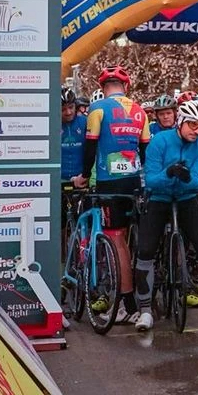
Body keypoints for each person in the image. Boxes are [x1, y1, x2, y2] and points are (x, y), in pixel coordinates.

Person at [134, 100, 198, 331]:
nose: (196, 131)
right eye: (192, 125)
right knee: (145, 250)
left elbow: (197, 178)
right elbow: (150, 179)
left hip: (186, 198)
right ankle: (144, 311)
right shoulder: (160, 142)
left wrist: (186, 178)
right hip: (159, 198)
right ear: (181, 121)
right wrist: (169, 172)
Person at [73, 65, 148, 324]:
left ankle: (127, 303)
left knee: (115, 241)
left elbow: (91, 146)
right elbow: (145, 151)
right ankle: (137, 299)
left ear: (103, 87)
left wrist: (83, 175)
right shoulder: (139, 111)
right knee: (125, 241)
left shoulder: (99, 109)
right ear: (125, 86)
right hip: (134, 181)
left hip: (109, 182)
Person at [60, 88, 87, 184]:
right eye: (63, 109)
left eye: (71, 107)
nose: (68, 112)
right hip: (58, 179)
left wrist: (85, 174)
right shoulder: (52, 124)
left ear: (76, 105)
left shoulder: (84, 121)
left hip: (81, 177)